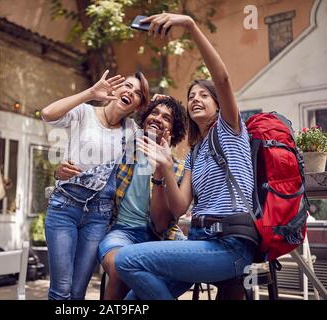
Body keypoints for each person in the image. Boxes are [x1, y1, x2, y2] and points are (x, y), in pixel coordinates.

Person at [114, 13, 258, 300]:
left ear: (218, 105)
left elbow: (222, 77)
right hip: (199, 242)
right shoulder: (194, 153)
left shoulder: (229, 129)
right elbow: (179, 209)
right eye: (192, 96)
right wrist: (165, 166)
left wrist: (190, 25)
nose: (195, 99)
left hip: (230, 245)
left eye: (204, 95)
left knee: (126, 260)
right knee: (133, 300)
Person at [56, 95, 188, 300]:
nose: (158, 118)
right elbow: (87, 169)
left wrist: (161, 172)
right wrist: (60, 172)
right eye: (154, 113)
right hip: (121, 232)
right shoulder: (124, 149)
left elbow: (161, 225)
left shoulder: (177, 169)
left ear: (174, 129)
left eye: (166, 117)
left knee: (191, 268)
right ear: (144, 119)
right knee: (120, 268)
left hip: (159, 238)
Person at [41, 70, 149, 300]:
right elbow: (48, 113)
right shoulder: (84, 113)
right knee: (61, 291)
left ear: (137, 106)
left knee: (78, 292)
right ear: (115, 89)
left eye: (138, 93)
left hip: (98, 216)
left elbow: (136, 168)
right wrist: (90, 93)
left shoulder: (131, 132)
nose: (130, 92)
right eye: (127, 86)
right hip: (64, 208)